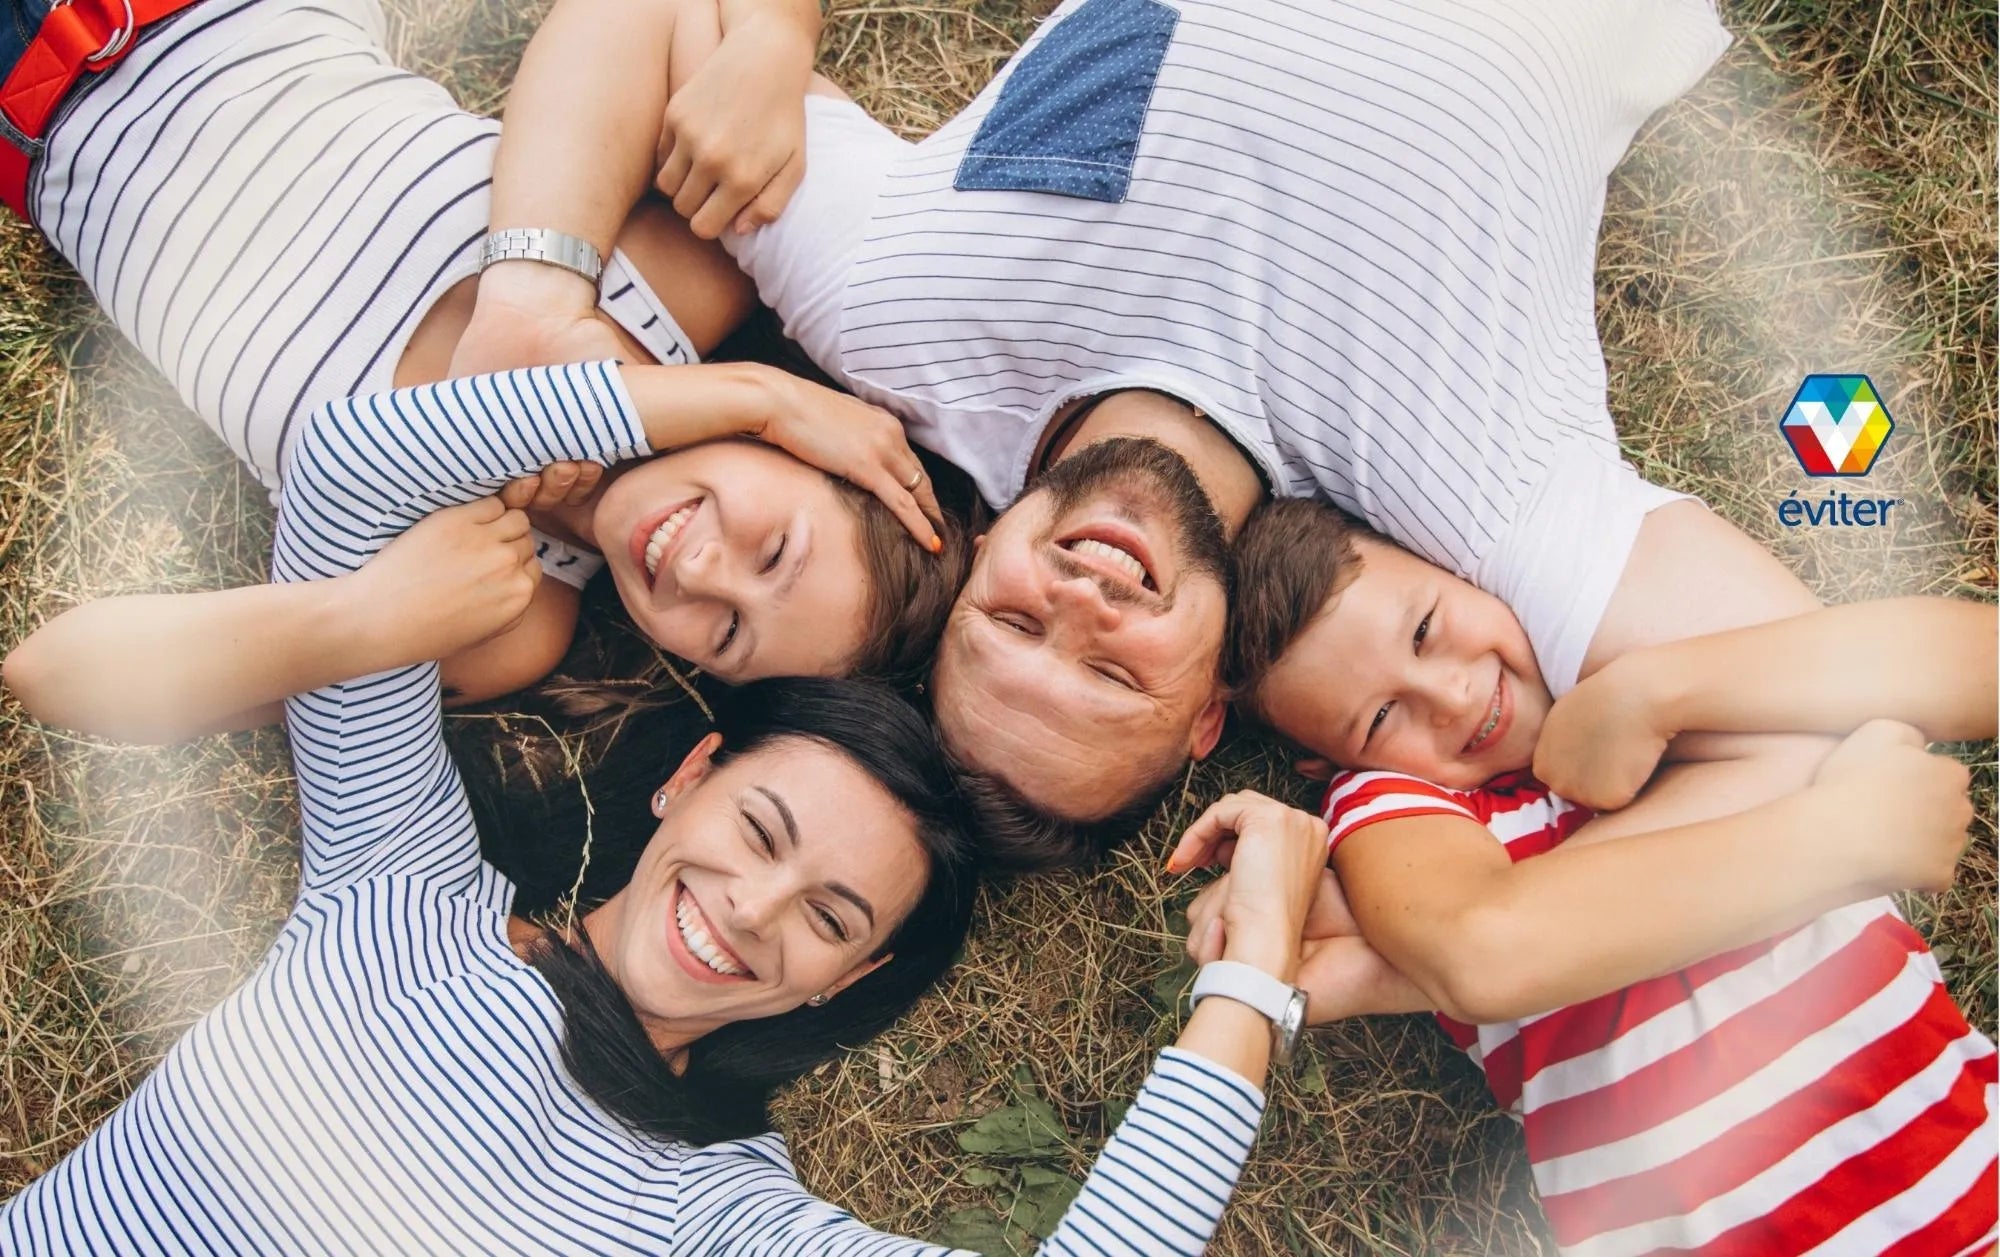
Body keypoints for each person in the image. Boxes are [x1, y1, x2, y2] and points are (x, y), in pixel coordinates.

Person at [471, 0, 1853, 867]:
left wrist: (535, 289)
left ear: (965, 556)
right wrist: (1479, 932)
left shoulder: (901, 322)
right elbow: (1825, 708)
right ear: (1207, 715)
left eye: (1016, 626)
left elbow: (662, 17)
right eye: (1109, 674)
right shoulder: (1473, 501)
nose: (1084, 602)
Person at [0, 358, 1334, 1252]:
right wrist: (749, 399)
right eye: (759, 831)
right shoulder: (401, 893)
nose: (751, 911)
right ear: (687, 780)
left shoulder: (710, 1218)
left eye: (829, 918)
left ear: (847, 980)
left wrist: (1253, 973)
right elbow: (359, 458)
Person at [0, 0, 968, 738]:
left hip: (29, 129)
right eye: (775, 551)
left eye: (727, 636)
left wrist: (358, 619)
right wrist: (775, 41)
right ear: (806, 449)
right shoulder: (688, 279)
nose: (704, 573)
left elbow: (59, 678)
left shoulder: (506, 612)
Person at [1175, 496, 1998, 1255]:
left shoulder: (1653, 652)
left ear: (1465, 572)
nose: (1452, 695)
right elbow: (1481, 941)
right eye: (1381, 718)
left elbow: (1963, 665)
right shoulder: (1396, 802)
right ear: (1331, 765)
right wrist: (1844, 827)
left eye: (1426, 629)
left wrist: (1653, 694)